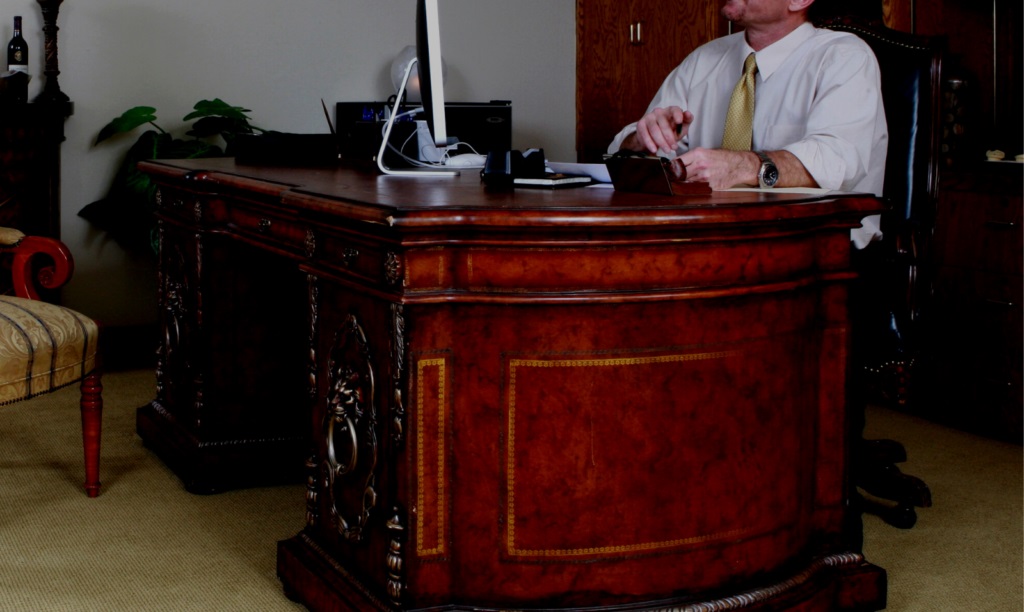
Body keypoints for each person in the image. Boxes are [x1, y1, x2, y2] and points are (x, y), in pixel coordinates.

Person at [608, 0, 888, 248]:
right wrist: (643, 140)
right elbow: (628, 152)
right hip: (705, 242)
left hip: (818, 250)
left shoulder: (844, 57)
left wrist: (740, 166)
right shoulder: (704, 59)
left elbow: (836, 160)